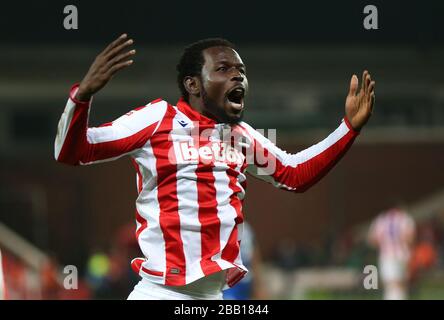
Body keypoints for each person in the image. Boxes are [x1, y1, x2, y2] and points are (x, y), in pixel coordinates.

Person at [54, 34, 375, 300]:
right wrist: (82, 96)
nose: (238, 76)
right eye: (223, 68)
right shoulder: (156, 120)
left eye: (241, 70)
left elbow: (294, 174)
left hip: (214, 296)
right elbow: (74, 150)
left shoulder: (240, 137)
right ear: (193, 84)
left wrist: (348, 128)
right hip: (160, 293)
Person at [368, 207, 416, 300]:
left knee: (392, 284)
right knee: (400, 284)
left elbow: (373, 240)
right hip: (404, 255)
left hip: (387, 256)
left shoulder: (380, 220)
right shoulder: (405, 219)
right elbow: (410, 238)